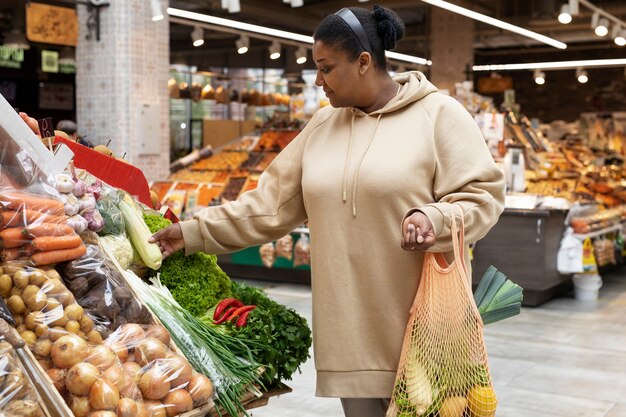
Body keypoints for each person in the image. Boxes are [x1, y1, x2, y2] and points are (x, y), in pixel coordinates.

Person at [150, 5, 505, 417]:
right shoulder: (321, 127)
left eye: (326, 68)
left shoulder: (438, 115)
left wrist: (435, 218)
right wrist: (192, 233)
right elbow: (268, 207)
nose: (317, 81)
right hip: (349, 335)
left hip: (424, 333)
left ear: (364, 62)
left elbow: (483, 197)